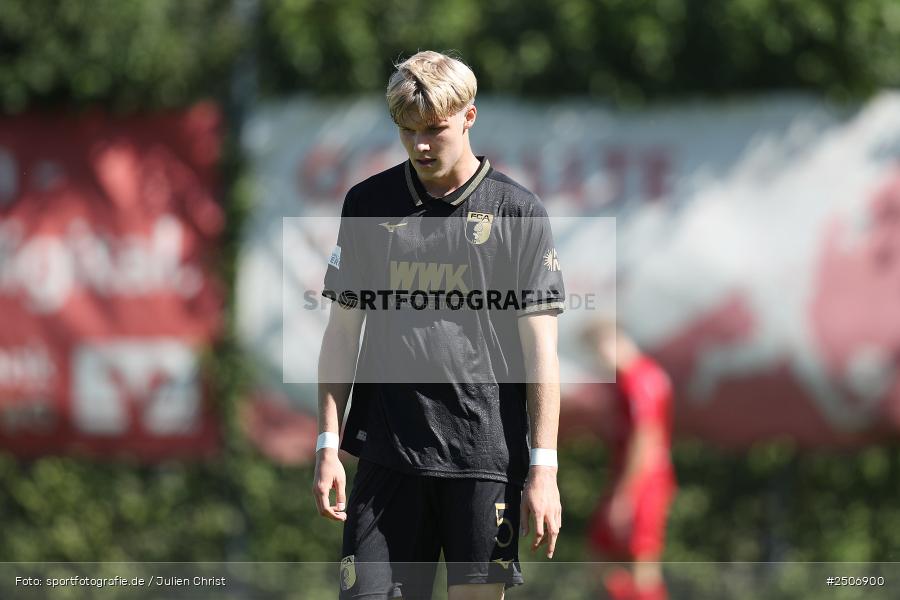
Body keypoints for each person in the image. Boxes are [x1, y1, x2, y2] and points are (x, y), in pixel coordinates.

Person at [313, 51, 565, 600]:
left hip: (485, 459)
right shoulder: (368, 203)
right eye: (407, 131)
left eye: (434, 130)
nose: (421, 145)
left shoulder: (519, 214)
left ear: (469, 116)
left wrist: (543, 467)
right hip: (387, 456)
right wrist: (327, 443)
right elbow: (341, 333)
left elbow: (541, 352)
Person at [582, 322, 676, 600]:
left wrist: (625, 496)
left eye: (597, 353)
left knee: (641, 566)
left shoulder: (641, 379)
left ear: (611, 343)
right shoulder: (630, 380)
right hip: (632, 480)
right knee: (599, 560)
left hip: (645, 483)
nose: (599, 363)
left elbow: (645, 439)